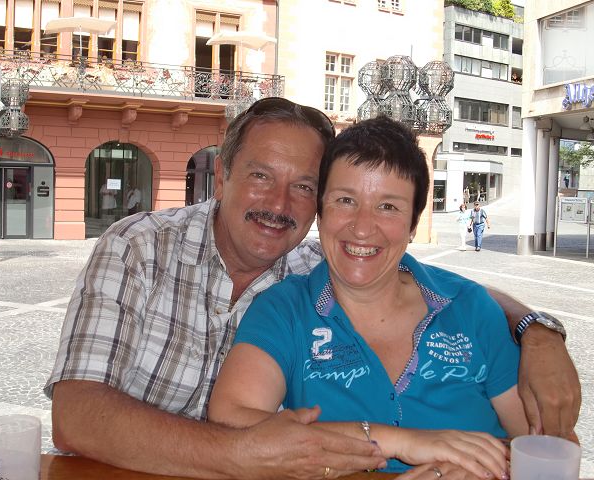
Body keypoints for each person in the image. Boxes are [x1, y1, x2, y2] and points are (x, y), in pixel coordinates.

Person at [45, 97, 580, 479]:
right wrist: (245, 453)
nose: (279, 204)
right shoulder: (140, 247)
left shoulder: (324, 261)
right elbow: (76, 418)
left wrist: (538, 330)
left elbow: (447, 291)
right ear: (222, 175)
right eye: (260, 176)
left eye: (302, 185)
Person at [208, 115, 539, 477]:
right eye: (345, 200)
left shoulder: (471, 308)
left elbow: (545, 443)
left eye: (388, 207)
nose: (363, 228)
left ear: (413, 225)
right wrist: (398, 441)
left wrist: (487, 468)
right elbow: (231, 421)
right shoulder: (285, 310)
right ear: (321, 213)